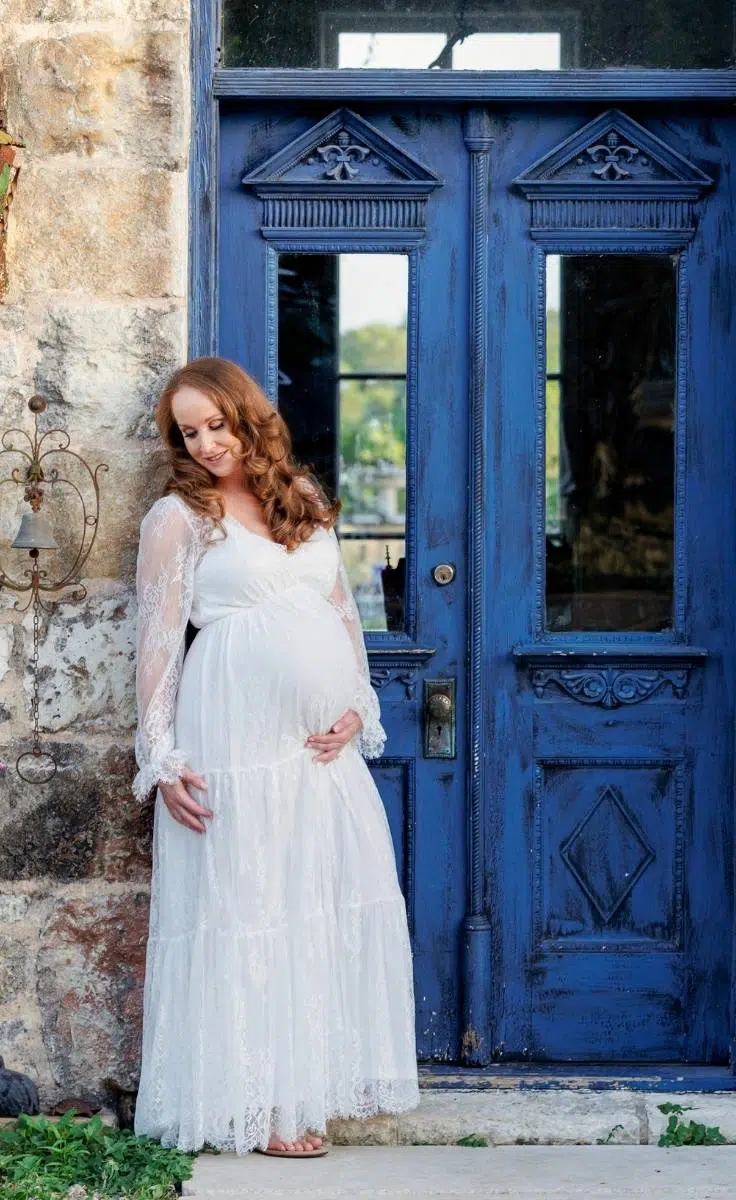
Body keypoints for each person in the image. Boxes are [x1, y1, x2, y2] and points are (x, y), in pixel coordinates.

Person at [131, 356, 419, 1158]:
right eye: (189, 433)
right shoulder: (177, 518)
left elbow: (344, 613)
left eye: (216, 425)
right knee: (249, 903)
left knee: (315, 901)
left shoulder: (304, 499)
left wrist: (357, 703)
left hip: (318, 751)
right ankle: (256, 1107)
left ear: (246, 417)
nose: (206, 444)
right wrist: (161, 757)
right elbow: (157, 643)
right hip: (232, 733)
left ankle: (300, 1092)